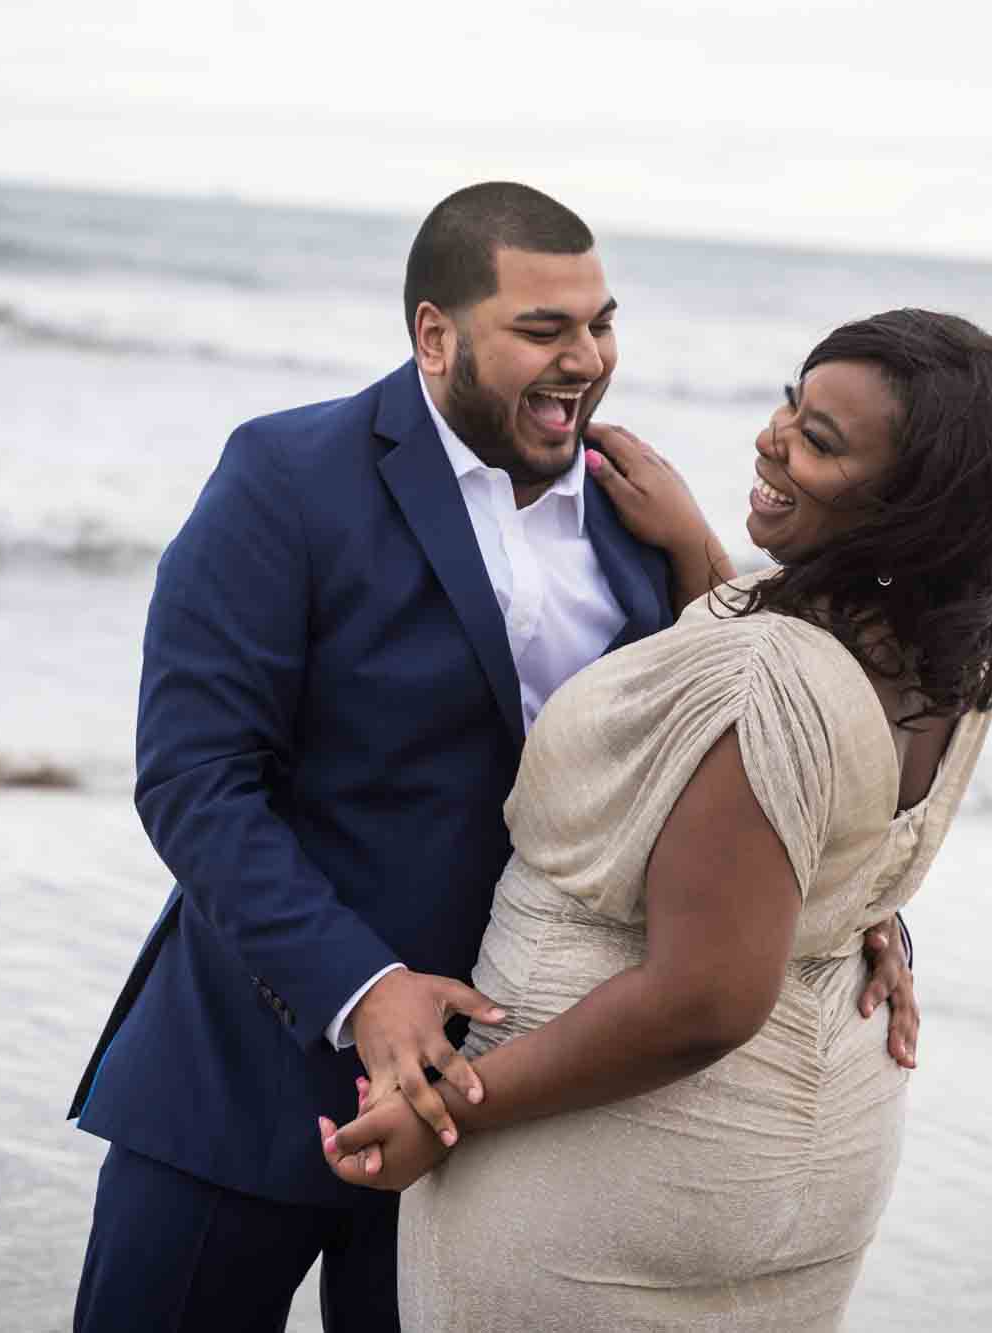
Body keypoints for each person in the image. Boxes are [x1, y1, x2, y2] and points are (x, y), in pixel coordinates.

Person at [65, 183, 920, 1330]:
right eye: (542, 329)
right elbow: (194, 781)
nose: (585, 359)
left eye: (600, 323)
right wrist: (359, 990)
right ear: (434, 334)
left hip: (498, 1126)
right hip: (243, 1081)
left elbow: (748, 760)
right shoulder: (286, 477)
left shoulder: (638, 517)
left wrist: (856, 902)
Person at [320, 308, 992, 1330]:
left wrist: (446, 1110)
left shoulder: (763, 678)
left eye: (820, 442)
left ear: (911, 509)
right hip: (808, 1147)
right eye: (792, 403)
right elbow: (809, 789)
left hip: (617, 1168)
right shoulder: (951, 660)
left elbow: (700, 999)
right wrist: (698, 553)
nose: (772, 436)